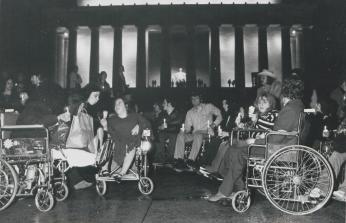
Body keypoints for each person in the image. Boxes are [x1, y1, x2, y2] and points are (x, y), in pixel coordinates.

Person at [207, 77, 305, 202]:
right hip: (282, 146)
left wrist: (255, 141)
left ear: (285, 93)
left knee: (237, 152)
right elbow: (279, 133)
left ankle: (227, 191)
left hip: (277, 149)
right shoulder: (297, 106)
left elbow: (276, 138)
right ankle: (236, 189)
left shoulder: (289, 109)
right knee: (234, 150)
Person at [201, 93, 278, 176]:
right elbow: (251, 127)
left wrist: (255, 121)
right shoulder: (260, 114)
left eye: (264, 102)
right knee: (225, 144)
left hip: (259, 144)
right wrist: (243, 125)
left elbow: (261, 128)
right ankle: (217, 170)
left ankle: (218, 171)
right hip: (252, 140)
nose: (261, 105)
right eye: (259, 103)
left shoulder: (271, 115)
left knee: (228, 144)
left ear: (270, 104)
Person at [173, 93, 222, 172]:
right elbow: (188, 128)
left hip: (206, 133)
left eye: (196, 98)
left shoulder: (208, 107)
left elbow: (220, 115)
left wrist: (213, 125)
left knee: (198, 134)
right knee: (180, 135)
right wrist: (183, 131)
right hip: (195, 134)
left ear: (200, 99)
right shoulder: (190, 112)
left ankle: (191, 160)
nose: (194, 100)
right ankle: (179, 160)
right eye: (192, 99)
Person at [106, 97, 151, 178]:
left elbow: (147, 125)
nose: (117, 105)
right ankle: (104, 170)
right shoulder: (112, 120)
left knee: (131, 146)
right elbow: (110, 133)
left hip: (132, 143)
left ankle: (121, 173)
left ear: (126, 106)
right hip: (118, 145)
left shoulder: (135, 116)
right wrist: (105, 126)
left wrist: (139, 126)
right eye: (115, 104)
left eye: (119, 103)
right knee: (108, 145)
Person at [155, 97, 184, 164]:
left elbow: (178, 124)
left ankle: (170, 159)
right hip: (165, 133)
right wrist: (160, 127)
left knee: (173, 136)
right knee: (159, 135)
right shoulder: (162, 114)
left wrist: (166, 126)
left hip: (175, 133)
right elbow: (157, 125)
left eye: (164, 103)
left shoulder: (178, 113)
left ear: (169, 104)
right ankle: (160, 159)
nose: (162, 105)